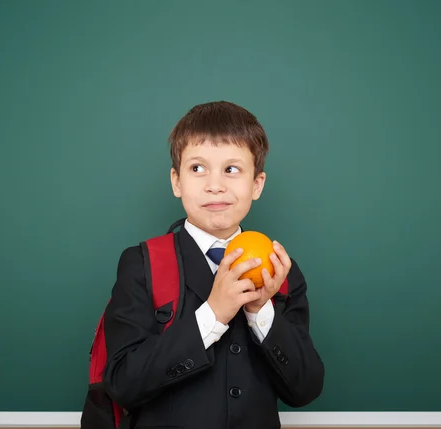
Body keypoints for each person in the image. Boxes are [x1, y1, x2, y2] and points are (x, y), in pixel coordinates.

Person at [102, 101, 325, 429]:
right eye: (197, 168)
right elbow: (122, 383)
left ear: (257, 184)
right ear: (176, 182)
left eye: (232, 169)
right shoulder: (143, 264)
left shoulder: (283, 271)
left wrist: (261, 312)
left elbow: (305, 388)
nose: (215, 185)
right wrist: (213, 315)